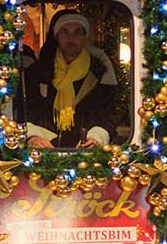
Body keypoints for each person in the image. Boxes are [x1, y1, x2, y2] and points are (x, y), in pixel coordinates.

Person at [24, 10, 117, 149]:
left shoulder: (98, 72)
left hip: (84, 155)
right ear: (57, 36)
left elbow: (108, 114)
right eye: (65, 32)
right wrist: (32, 136)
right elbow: (25, 111)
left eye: (77, 32)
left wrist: (97, 137)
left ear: (84, 36)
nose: (71, 38)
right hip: (44, 153)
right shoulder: (38, 71)